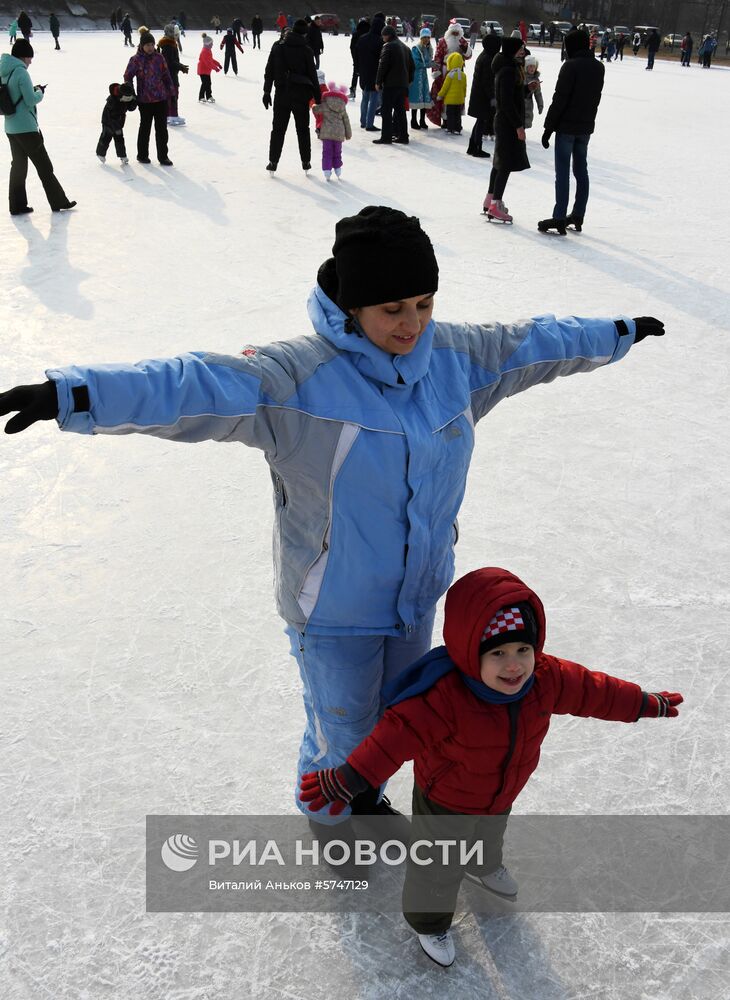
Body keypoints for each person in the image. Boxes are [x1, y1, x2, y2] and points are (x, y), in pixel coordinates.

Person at [0, 206, 667, 839]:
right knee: (343, 733)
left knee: (395, 723)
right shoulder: (298, 379)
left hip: (415, 597)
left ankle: (363, 795)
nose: (413, 324)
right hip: (333, 607)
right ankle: (326, 819)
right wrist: (73, 394)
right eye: (392, 309)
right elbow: (191, 385)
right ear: (352, 307)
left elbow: (534, 343)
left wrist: (616, 333)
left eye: (425, 304)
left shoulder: (454, 359)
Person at [299, 565, 683, 966]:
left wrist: (641, 703)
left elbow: (594, 691)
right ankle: (429, 921)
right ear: (470, 652)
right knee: (438, 863)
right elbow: (394, 736)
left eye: (522, 650)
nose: (513, 665)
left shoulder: (548, 678)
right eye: (497, 654)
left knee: (490, 832)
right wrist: (350, 777)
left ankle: (483, 865)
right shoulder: (445, 696)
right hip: (446, 799)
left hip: (501, 790)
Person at [537, 29, 604, 236]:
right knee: (581, 171)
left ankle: (559, 217)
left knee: (563, 173)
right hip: (585, 128)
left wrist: (548, 128)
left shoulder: (570, 66)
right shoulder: (598, 67)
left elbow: (560, 99)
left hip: (566, 128)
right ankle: (577, 214)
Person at [1, 38, 76, 215]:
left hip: (10, 127)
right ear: (23, 56)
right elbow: (30, 100)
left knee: (18, 166)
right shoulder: (21, 72)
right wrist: (39, 92)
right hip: (26, 128)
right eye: (29, 57)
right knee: (44, 166)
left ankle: (17, 205)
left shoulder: (4, 70)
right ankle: (58, 201)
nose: (31, 61)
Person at [262, 18, 320, 173]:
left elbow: (269, 71)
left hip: (282, 93)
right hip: (301, 95)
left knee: (278, 129)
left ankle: (273, 162)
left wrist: (266, 91)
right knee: (303, 129)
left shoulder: (278, 47)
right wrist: (318, 98)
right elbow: (313, 75)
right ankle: (306, 162)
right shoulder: (306, 49)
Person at [482, 35, 528, 224]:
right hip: (507, 123)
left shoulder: (509, 67)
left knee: (499, 162)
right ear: (512, 51)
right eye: (520, 49)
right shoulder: (508, 70)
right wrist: (518, 126)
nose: (523, 52)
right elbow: (507, 102)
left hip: (504, 121)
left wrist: (527, 89)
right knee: (505, 164)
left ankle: (489, 199)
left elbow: (511, 95)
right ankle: (495, 204)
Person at [123, 30, 175, 166]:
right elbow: (127, 76)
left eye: (152, 44)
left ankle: (163, 156)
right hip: (145, 100)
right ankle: (142, 155)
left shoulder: (159, 58)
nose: (150, 47)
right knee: (145, 128)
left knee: (162, 129)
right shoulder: (136, 60)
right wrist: (131, 92)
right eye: (147, 45)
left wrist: (171, 92)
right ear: (142, 46)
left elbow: (166, 76)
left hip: (160, 99)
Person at [373, 24, 414, 145]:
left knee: (386, 111)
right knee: (400, 111)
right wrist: (409, 80)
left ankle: (386, 137)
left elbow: (383, 65)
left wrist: (378, 81)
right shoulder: (406, 47)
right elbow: (412, 67)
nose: (382, 38)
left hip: (390, 85)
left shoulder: (388, 46)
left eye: (383, 36)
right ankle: (403, 136)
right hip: (403, 85)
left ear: (388, 35)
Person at [427, 19, 471, 127]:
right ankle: (445, 119)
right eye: (453, 32)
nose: (455, 34)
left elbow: (468, 56)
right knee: (444, 94)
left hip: (459, 71)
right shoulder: (442, 41)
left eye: (457, 32)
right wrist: (436, 72)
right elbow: (437, 57)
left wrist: (466, 50)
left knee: (457, 94)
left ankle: (455, 119)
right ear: (449, 32)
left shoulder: (463, 41)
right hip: (445, 70)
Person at [466, 30, 501, 156]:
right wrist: (492, 97)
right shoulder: (487, 59)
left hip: (479, 95)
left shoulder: (485, 55)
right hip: (482, 97)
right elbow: (487, 81)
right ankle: (476, 148)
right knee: (481, 121)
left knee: (480, 121)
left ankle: (472, 146)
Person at [312, 81, 351, 179]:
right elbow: (346, 120)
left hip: (327, 134)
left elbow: (316, 110)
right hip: (338, 134)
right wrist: (348, 134)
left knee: (327, 152)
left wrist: (313, 106)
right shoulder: (342, 106)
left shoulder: (325, 104)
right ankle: (338, 169)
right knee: (337, 152)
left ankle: (327, 171)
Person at [356, 12, 385, 132]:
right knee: (374, 99)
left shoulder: (362, 38)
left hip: (363, 72)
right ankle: (369, 123)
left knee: (365, 97)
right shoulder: (380, 41)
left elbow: (357, 54)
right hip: (375, 73)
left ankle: (363, 121)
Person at [96, 81, 136, 163]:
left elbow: (130, 108)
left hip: (119, 121)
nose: (127, 100)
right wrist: (116, 127)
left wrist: (134, 101)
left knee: (119, 139)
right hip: (108, 121)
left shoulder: (126, 94)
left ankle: (122, 156)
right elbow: (111, 116)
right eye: (126, 99)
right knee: (106, 137)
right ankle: (100, 153)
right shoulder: (112, 101)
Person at [158, 23, 187, 125]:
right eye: (175, 33)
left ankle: (168, 115)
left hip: (170, 74)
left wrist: (180, 66)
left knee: (170, 95)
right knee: (173, 95)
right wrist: (181, 67)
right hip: (169, 75)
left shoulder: (170, 43)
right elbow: (169, 62)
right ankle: (172, 116)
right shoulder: (167, 45)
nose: (177, 35)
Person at [408, 27, 432, 131]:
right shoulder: (416, 49)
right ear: (421, 38)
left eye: (428, 37)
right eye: (424, 37)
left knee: (424, 99)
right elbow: (415, 63)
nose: (426, 39)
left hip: (423, 77)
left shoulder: (428, 49)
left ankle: (422, 120)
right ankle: (413, 120)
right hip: (417, 76)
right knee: (416, 98)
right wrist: (428, 64)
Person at [437, 51, 466, 135]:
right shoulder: (463, 75)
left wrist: (440, 95)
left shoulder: (450, 75)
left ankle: (450, 128)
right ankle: (457, 128)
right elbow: (464, 87)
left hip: (450, 100)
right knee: (457, 114)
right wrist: (464, 95)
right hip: (459, 99)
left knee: (450, 114)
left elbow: (445, 87)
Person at [197, 34, 221, 103]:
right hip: (203, 70)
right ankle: (201, 97)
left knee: (208, 83)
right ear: (207, 44)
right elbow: (208, 63)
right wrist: (215, 68)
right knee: (205, 83)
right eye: (211, 43)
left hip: (206, 70)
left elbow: (211, 60)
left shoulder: (208, 50)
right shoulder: (204, 51)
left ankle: (209, 96)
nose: (212, 44)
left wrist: (217, 64)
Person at [349, 17, 370, 99]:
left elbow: (351, 47)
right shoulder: (369, 34)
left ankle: (353, 90)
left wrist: (354, 57)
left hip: (357, 58)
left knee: (355, 74)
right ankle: (366, 91)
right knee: (366, 76)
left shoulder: (356, 34)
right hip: (368, 59)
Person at [523, 54, 543, 131]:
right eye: (530, 66)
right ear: (526, 67)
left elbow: (538, 94)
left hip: (529, 103)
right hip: (520, 102)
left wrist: (540, 105)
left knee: (527, 118)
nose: (532, 68)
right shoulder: (522, 76)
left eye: (533, 66)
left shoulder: (536, 80)